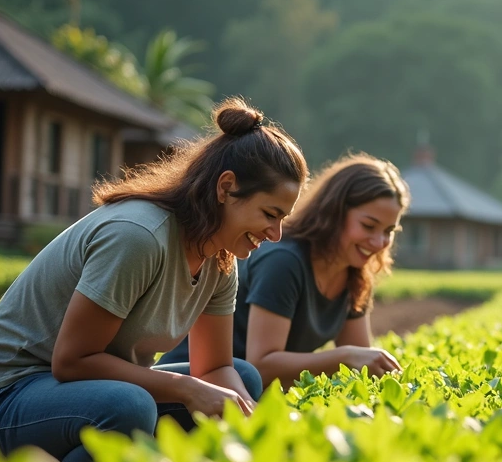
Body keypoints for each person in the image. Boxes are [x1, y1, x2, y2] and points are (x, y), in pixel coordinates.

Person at [0, 98, 308, 462]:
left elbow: (215, 367)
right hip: (7, 400)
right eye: (269, 215)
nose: (275, 235)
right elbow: (72, 361)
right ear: (226, 187)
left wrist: (257, 429)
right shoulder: (139, 236)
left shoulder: (219, 259)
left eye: (282, 219)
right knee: (129, 407)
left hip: (88, 394)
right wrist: (185, 389)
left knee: (241, 379)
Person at [158, 153, 406, 386]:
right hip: (196, 381)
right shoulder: (284, 261)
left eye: (388, 232)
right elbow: (262, 365)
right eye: (368, 226)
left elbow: (362, 364)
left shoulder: (354, 274)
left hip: (244, 393)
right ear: (334, 212)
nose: (379, 243)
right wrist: (344, 357)